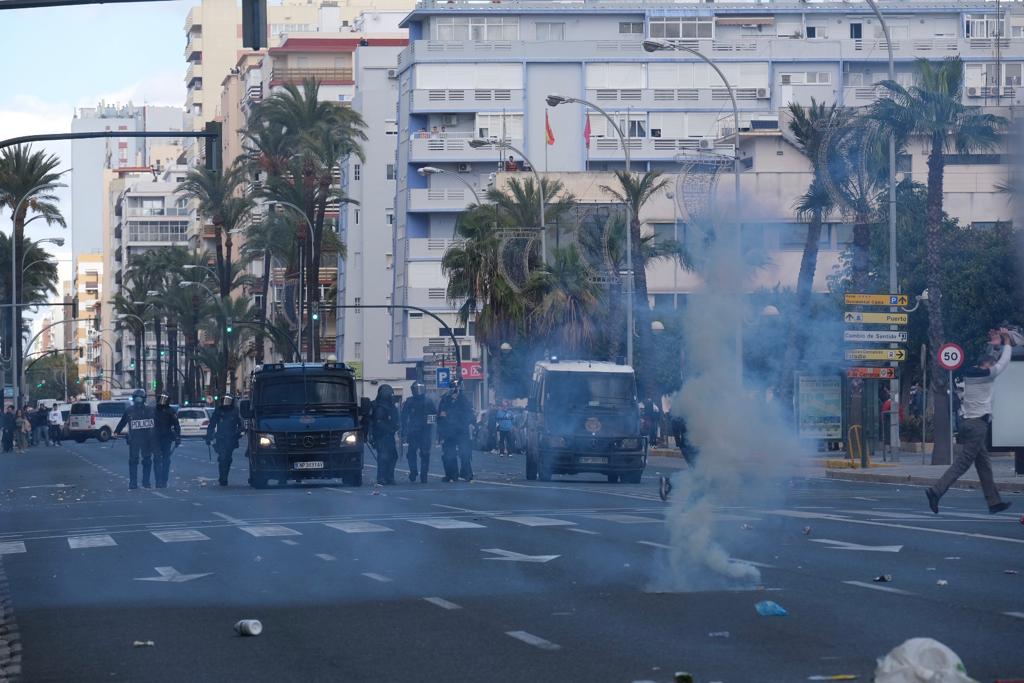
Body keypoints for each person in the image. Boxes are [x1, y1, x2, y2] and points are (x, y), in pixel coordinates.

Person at [927, 328, 1014, 515]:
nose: (993, 365)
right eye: (990, 364)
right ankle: (936, 491)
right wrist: (1006, 342)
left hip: (967, 422)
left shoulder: (970, 374)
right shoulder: (987, 375)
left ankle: (994, 502)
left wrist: (993, 343)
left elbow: (992, 361)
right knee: (963, 463)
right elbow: (1003, 363)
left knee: (984, 464)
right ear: (986, 366)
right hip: (977, 425)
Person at [115, 389, 156, 489]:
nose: (138, 401)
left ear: (143, 399)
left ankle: (146, 482)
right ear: (134, 399)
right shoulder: (129, 411)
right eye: (136, 399)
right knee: (133, 460)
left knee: (147, 460)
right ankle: (133, 482)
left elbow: (155, 424)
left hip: (147, 440)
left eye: (140, 399)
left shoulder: (149, 410)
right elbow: (123, 422)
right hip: (134, 439)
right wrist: (117, 431)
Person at [437, 379, 475, 482]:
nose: (455, 389)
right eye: (453, 387)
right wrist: (440, 433)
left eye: (456, 387)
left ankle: (466, 473)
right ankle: (451, 474)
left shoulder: (464, 400)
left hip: (462, 430)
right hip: (449, 431)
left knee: (465, 453)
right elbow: (440, 416)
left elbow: (469, 415)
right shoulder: (445, 400)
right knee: (449, 454)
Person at [401, 381, 435, 483]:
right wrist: (404, 429)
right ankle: (414, 471)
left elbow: (433, 416)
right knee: (412, 453)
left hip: (424, 431)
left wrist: (429, 428)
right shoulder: (410, 401)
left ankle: (423, 474)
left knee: (424, 454)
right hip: (414, 431)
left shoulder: (428, 401)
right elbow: (404, 416)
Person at [206, 394, 243, 487]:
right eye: (224, 400)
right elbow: (212, 424)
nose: (225, 403)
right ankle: (223, 478)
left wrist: (237, 433)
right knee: (222, 458)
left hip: (231, 438)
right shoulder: (219, 411)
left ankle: (225, 475)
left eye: (228, 400)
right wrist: (208, 436)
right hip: (221, 438)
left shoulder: (235, 411)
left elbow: (241, 425)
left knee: (228, 458)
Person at [369, 384, 400, 485]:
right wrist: (390, 429)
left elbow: (396, 419)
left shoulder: (390, 406)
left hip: (388, 435)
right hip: (381, 435)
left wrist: (398, 426)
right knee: (383, 456)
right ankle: (382, 478)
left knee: (393, 456)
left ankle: (389, 477)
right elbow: (378, 422)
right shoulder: (380, 407)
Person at [152, 394, 181, 489]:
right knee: (156, 459)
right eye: (161, 399)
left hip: (166, 438)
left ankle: (164, 480)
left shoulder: (171, 411)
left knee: (166, 460)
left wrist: (177, 437)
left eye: (165, 400)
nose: (162, 402)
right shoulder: (153, 410)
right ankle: (158, 481)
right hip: (155, 438)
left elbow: (176, 425)